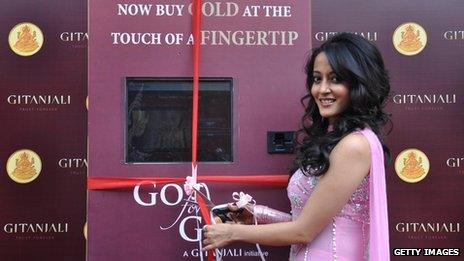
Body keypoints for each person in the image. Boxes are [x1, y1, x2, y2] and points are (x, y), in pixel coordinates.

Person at [202, 32, 391, 261]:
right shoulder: (340, 139)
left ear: (360, 84)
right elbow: (308, 222)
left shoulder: (354, 145)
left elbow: (304, 231)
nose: (322, 90)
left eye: (335, 79)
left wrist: (232, 232)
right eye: (317, 78)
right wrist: (256, 214)